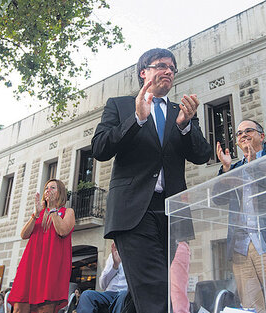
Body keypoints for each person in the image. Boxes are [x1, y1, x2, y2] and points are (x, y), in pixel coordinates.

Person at [92, 48, 212, 313]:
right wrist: (137, 119)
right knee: (155, 288)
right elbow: (100, 149)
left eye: (172, 67)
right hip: (134, 211)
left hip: (172, 212)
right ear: (143, 72)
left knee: (143, 295)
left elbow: (203, 155)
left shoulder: (181, 111)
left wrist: (184, 126)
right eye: (161, 65)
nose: (168, 71)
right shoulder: (120, 105)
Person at [215, 119, 266, 313]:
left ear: (261, 136)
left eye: (249, 130)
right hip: (240, 249)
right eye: (239, 133)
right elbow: (216, 198)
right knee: (251, 306)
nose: (243, 135)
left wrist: (254, 160)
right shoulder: (233, 168)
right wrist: (225, 169)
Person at [8, 179, 75, 313]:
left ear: (60, 193)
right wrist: (35, 214)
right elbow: (24, 234)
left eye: (53, 188)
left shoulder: (67, 212)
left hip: (51, 264)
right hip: (31, 263)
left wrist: (53, 209)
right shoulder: (39, 213)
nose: (48, 191)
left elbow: (62, 231)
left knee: (45, 307)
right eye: (46, 188)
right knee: (20, 306)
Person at [78, 242, 128, 313]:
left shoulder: (139, 257)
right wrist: (115, 266)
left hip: (125, 294)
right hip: (109, 294)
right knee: (87, 294)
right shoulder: (113, 256)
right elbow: (102, 285)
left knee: (123, 295)